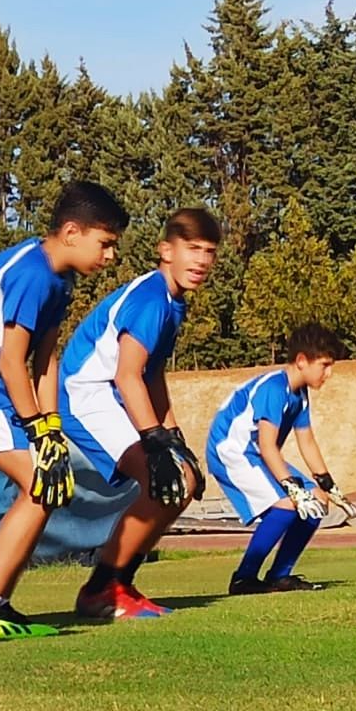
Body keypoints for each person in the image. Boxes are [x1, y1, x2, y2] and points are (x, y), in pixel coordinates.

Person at [0, 182, 127, 639]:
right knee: (40, 484)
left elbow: (45, 362)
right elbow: (12, 362)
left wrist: (51, 428)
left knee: (47, 485)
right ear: (71, 232)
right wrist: (38, 430)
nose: (111, 256)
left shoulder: (60, 279)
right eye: (105, 243)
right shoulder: (32, 273)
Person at [57, 207, 222, 620]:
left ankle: (119, 584)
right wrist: (153, 438)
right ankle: (101, 590)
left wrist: (174, 437)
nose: (202, 260)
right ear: (166, 250)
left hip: (112, 392)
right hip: (87, 393)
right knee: (164, 481)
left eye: (209, 252)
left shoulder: (172, 302)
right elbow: (127, 375)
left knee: (181, 480)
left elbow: (152, 374)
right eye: (193, 248)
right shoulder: (151, 300)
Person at [206, 322, 355, 594]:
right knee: (288, 504)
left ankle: (279, 576)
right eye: (325, 365)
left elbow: (306, 440)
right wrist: (292, 489)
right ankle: (243, 578)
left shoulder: (300, 395)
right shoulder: (274, 388)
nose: (329, 374)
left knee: (317, 500)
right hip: (231, 451)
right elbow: (267, 445)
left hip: (257, 453)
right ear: (302, 361)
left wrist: (328, 485)